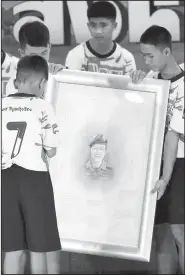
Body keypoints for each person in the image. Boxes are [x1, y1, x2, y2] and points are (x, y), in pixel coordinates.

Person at [130, 25, 184, 274]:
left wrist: (166, 176)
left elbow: (173, 134)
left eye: (150, 55)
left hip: (180, 163)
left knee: (179, 231)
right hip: (153, 162)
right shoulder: (148, 82)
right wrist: (134, 88)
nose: (146, 60)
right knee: (160, 230)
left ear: (166, 51)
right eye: (143, 55)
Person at [2, 55, 61, 274]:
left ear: (17, 81)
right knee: (39, 247)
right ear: (43, 84)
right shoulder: (43, 106)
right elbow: (52, 150)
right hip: (35, 180)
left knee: (11, 248)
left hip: (5, 181)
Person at [65, 1, 136, 75]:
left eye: (103, 25)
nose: (98, 31)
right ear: (88, 26)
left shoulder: (127, 58)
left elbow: (131, 86)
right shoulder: (76, 55)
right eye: (93, 25)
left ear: (114, 26)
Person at [2, 21, 64, 97]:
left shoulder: (56, 73)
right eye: (34, 56)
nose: (40, 60)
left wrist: (64, 75)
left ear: (49, 47)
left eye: (44, 53)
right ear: (22, 53)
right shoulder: (14, 84)